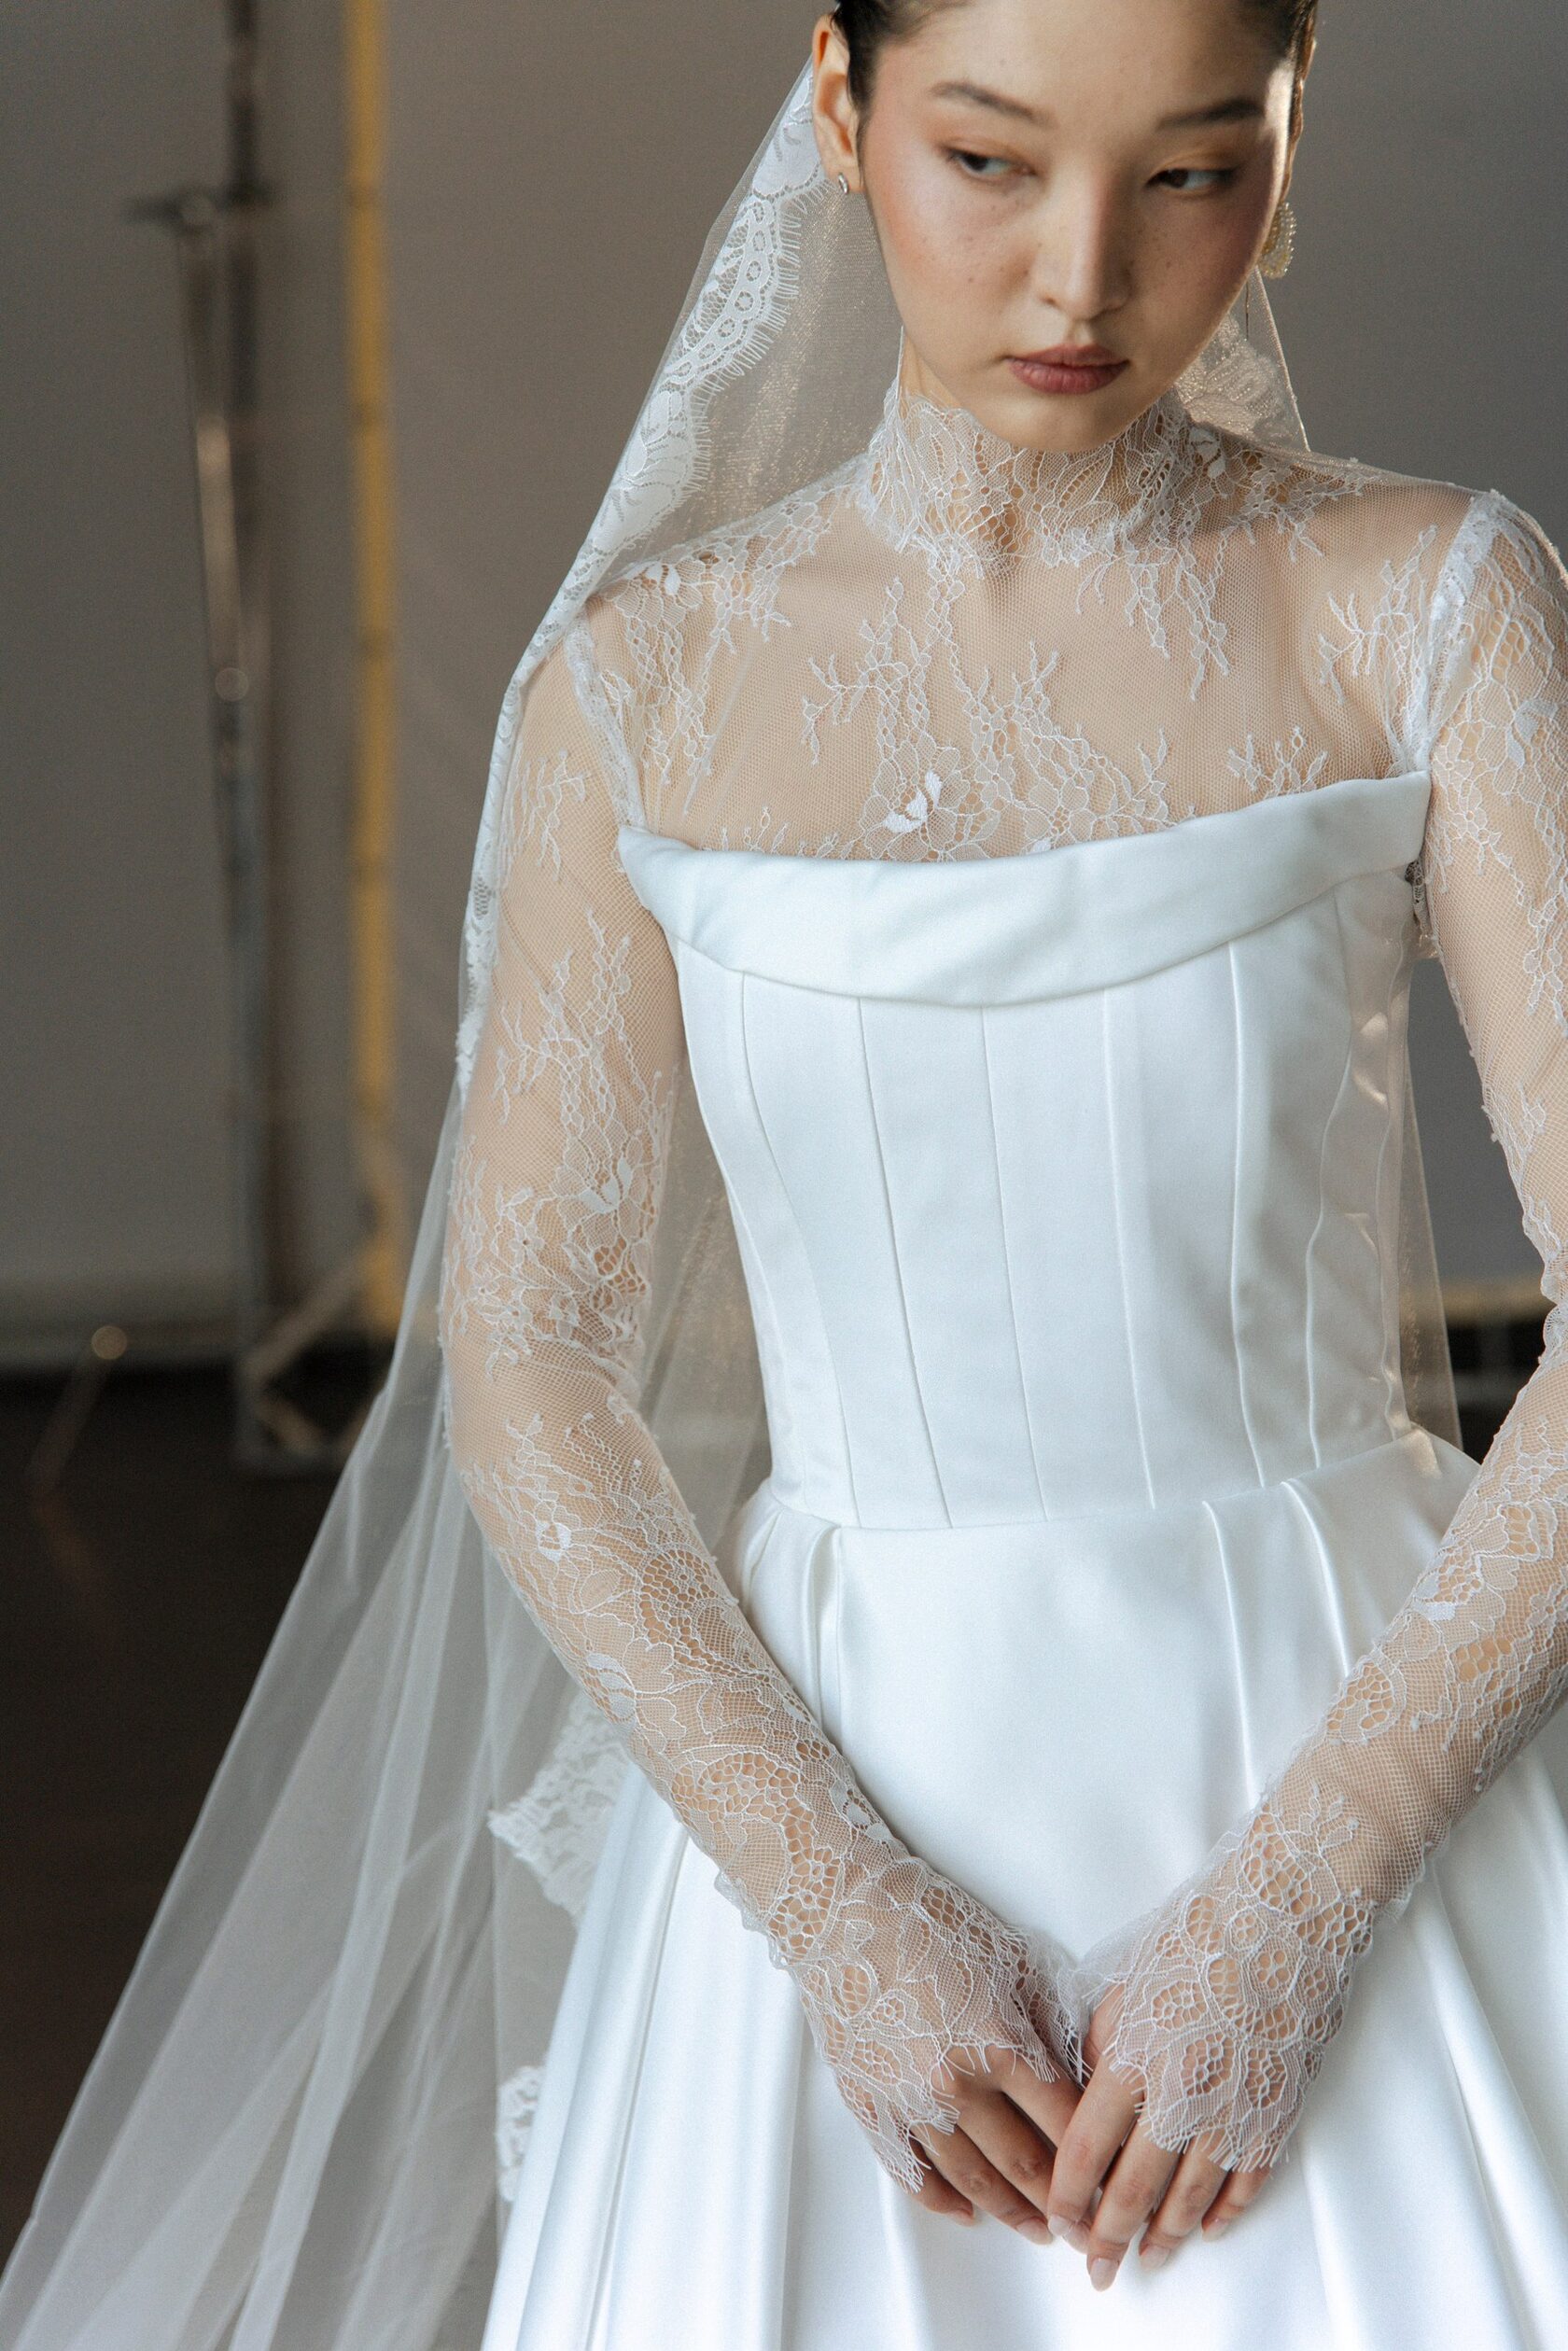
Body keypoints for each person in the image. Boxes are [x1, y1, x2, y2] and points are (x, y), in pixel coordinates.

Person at [5, 2, 1568, 2346]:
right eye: (989, 158)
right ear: (840, 100)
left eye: (1187, 171)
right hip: (847, 1782)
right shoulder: (639, 690)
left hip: (1340, 1744)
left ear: (1290, 128)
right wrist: (838, 1910)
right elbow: (530, 1359)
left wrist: (1304, 1900)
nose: (1080, 275)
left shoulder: (1428, 603)